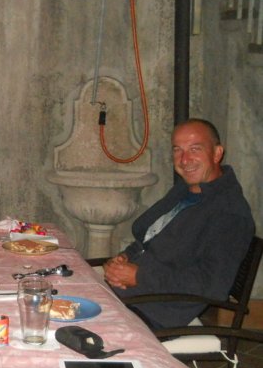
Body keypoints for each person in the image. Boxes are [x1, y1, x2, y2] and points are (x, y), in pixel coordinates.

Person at [103, 118, 254, 329]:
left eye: (195, 149)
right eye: (177, 150)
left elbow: (212, 286)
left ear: (217, 153)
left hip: (156, 311)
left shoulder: (230, 213)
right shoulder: (185, 190)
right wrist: (124, 259)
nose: (184, 160)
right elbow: (149, 238)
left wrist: (140, 276)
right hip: (131, 293)